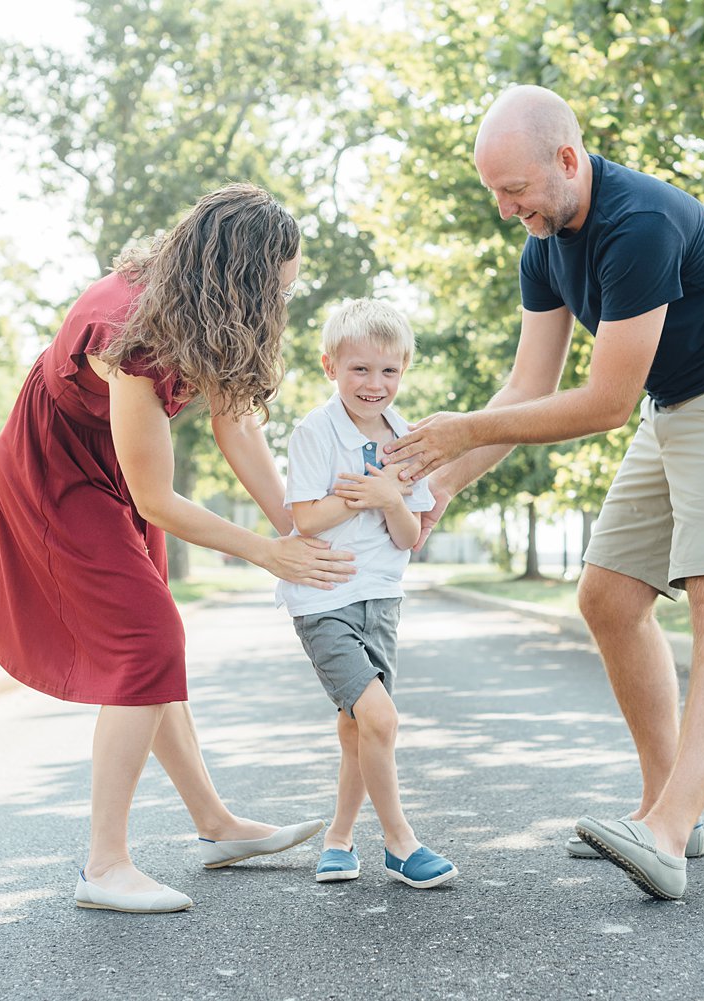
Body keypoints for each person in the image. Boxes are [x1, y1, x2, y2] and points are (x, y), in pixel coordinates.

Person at [385, 86, 704, 901]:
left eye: (515, 190)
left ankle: (669, 831)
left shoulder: (638, 223)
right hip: (676, 401)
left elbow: (605, 403)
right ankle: (666, 806)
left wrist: (462, 430)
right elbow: (525, 389)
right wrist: (442, 482)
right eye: (495, 194)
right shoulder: (542, 245)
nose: (508, 209)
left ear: (569, 160)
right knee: (609, 595)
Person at [0, 183, 356, 914]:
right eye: (278, 288)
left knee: (151, 651)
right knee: (148, 639)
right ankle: (104, 865)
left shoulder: (201, 309)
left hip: (114, 465)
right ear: (239, 279)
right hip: (56, 473)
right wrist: (264, 552)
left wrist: (293, 521)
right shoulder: (136, 330)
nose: (283, 302)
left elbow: (237, 425)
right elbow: (156, 498)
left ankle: (216, 825)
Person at [275, 299, 458, 889]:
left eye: (388, 371)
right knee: (379, 716)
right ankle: (401, 844)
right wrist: (367, 495)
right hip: (323, 595)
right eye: (360, 369)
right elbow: (305, 519)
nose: (374, 384)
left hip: (381, 598)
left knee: (359, 725)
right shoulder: (314, 431)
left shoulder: (409, 439)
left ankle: (338, 839)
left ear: (404, 370)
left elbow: (409, 538)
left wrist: (390, 499)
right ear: (331, 366)